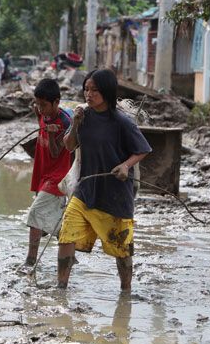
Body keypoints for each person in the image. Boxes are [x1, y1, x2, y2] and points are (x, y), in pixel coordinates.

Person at [57, 68, 152, 291]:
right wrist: (76, 123)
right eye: (86, 89)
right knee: (66, 236)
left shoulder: (122, 123)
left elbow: (143, 149)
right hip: (85, 192)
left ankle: (126, 291)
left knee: (122, 250)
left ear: (107, 93)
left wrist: (125, 165)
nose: (88, 95)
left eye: (94, 90)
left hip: (115, 197)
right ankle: (61, 287)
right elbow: (69, 145)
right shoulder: (83, 116)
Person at [25, 79, 72, 266]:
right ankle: (70, 244)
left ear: (56, 102)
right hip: (43, 174)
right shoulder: (43, 114)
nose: (41, 108)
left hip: (57, 177)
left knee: (35, 214)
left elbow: (55, 152)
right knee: (47, 219)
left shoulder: (65, 122)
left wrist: (53, 134)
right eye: (38, 104)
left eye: (44, 105)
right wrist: (37, 110)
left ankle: (30, 261)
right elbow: (40, 115)